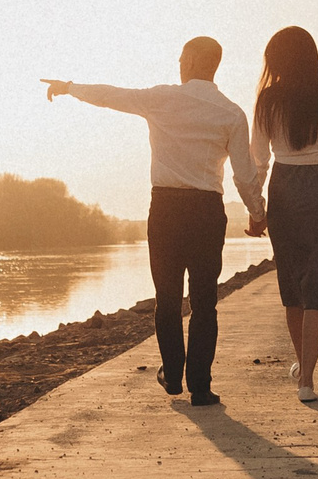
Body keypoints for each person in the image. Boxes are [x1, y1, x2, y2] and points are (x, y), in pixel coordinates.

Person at [44, 37, 261, 407]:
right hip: (208, 211)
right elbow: (245, 174)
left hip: (167, 209)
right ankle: (201, 387)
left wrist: (69, 88)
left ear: (191, 60)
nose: (178, 64)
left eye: (180, 58)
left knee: (167, 298)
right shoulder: (232, 113)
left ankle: (173, 375)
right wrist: (258, 213)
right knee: (205, 302)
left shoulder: (163, 99)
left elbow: (112, 96)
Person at [250, 26, 318, 403]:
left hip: (283, 189)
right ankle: (307, 380)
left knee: (293, 286)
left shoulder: (267, 101)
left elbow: (258, 160)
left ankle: (302, 365)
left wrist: (256, 208)